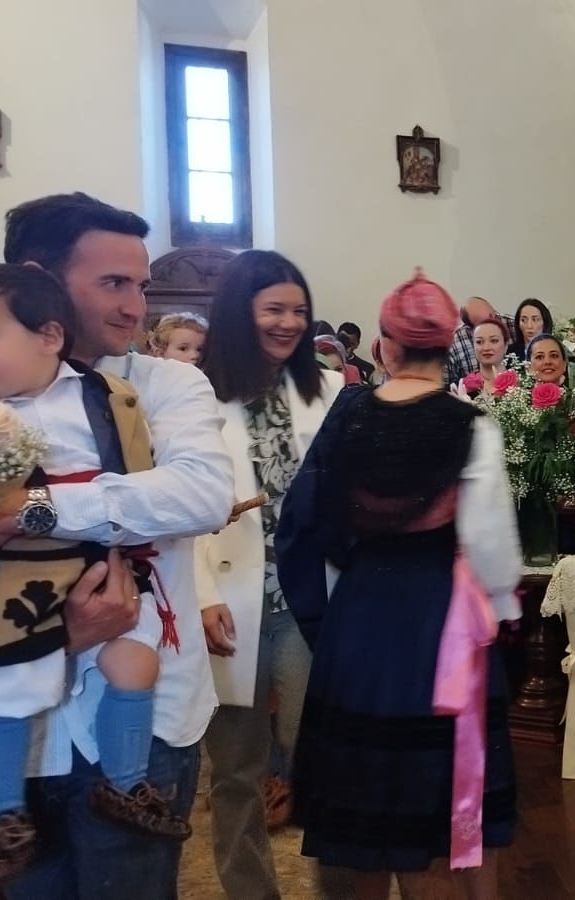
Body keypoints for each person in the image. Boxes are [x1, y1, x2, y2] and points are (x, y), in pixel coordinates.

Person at [0, 192, 233, 900]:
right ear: (41, 278)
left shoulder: (164, 386)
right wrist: (53, 631)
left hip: (143, 714)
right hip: (13, 725)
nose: (136, 305)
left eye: (139, 284)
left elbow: (199, 496)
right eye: (114, 283)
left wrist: (30, 511)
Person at [278, 271, 522, 899]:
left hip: (359, 613)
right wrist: (499, 617)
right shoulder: (472, 427)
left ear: (384, 346)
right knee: (438, 787)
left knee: (359, 781)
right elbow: (493, 551)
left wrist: (330, 607)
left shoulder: (348, 419)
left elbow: (306, 520)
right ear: (450, 348)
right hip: (442, 618)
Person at [197, 250, 344, 900]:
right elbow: (176, 510)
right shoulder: (196, 397)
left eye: (299, 310)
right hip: (230, 602)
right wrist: (200, 594)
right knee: (236, 773)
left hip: (311, 602)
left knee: (324, 762)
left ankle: (341, 886)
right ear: (238, 313)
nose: (290, 322)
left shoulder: (331, 390)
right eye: (274, 309)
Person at [444, 296, 500, 388]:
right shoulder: (454, 342)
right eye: (479, 341)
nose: (487, 347)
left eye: (494, 316)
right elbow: (444, 386)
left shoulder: (514, 326)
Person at [463, 316, 510, 395]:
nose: (486, 348)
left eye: (494, 341)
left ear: (506, 345)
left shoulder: (521, 384)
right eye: (479, 342)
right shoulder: (464, 388)